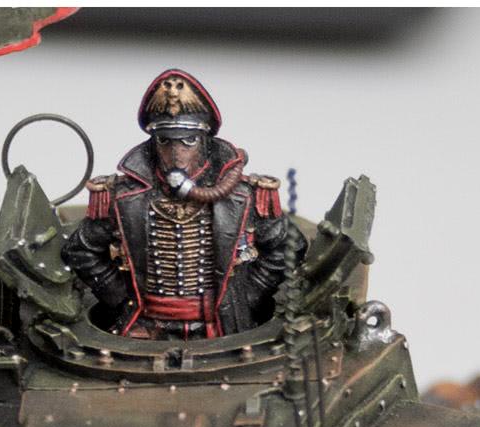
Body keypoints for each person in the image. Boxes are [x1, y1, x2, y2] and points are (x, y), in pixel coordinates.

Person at [63, 70, 303, 339]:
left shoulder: (245, 194)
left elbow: (288, 247)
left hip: (220, 327)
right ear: (153, 143)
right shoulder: (119, 196)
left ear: (205, 142)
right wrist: (121, 298)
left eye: (188, 141)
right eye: (165, 141)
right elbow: (80, 251)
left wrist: (246, 296)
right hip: (145, 327)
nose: (176, 155)